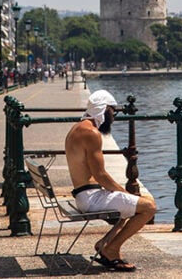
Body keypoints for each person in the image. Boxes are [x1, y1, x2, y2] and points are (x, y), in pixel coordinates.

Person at [64, 90, 156, 272]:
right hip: (90, 199)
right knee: (149, 208)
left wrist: (121, 193)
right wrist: (124, 192)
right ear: (104, 109)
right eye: (113, 111)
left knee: (136, 205)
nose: (113, 116)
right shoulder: (91, 133)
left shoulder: (76, 128)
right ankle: (112, 249)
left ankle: (104, 245)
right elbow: (100, 175)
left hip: (84, 194)